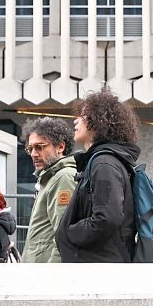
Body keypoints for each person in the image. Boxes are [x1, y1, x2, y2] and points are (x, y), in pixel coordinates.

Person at [55, 89, 140, 263]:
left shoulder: (104, 163)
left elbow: (106, 218)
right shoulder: (103, 161)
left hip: (100, 268)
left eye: (82, 115)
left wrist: (69, 232)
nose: (76, 120)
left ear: (97, 122)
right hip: (100, 264)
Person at [20, 117, 75, 264]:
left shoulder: (63, 177)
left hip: (46, 275)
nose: (33, 154)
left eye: (40, 147)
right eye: (30, 148)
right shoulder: (50, 177)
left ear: (60, 147)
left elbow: (64, 235)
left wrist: (52, 274)